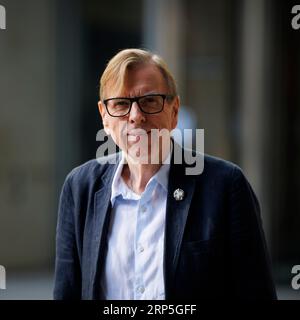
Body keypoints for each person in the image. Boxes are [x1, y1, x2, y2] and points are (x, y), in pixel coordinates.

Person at [53, 48, 277, 300]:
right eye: (121, 104)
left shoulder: (225, 186)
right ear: (105, 117)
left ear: (174, 111)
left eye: (149, 101)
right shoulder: (80, 188)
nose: (136, 117)